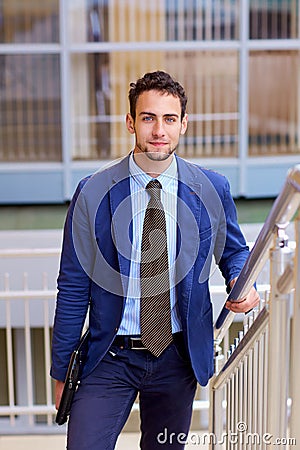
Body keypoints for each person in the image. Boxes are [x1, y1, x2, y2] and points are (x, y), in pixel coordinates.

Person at [51, 70, 259, 449]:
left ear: (183, 124)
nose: (158, 130)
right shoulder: (92, 192)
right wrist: (61, 371)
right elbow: (72, 288)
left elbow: (233, 251)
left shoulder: (212, 187)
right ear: (131, 122)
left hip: (176, 357)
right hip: (109, 357)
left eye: (169, 119)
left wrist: (242, 281)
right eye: (148, 118)